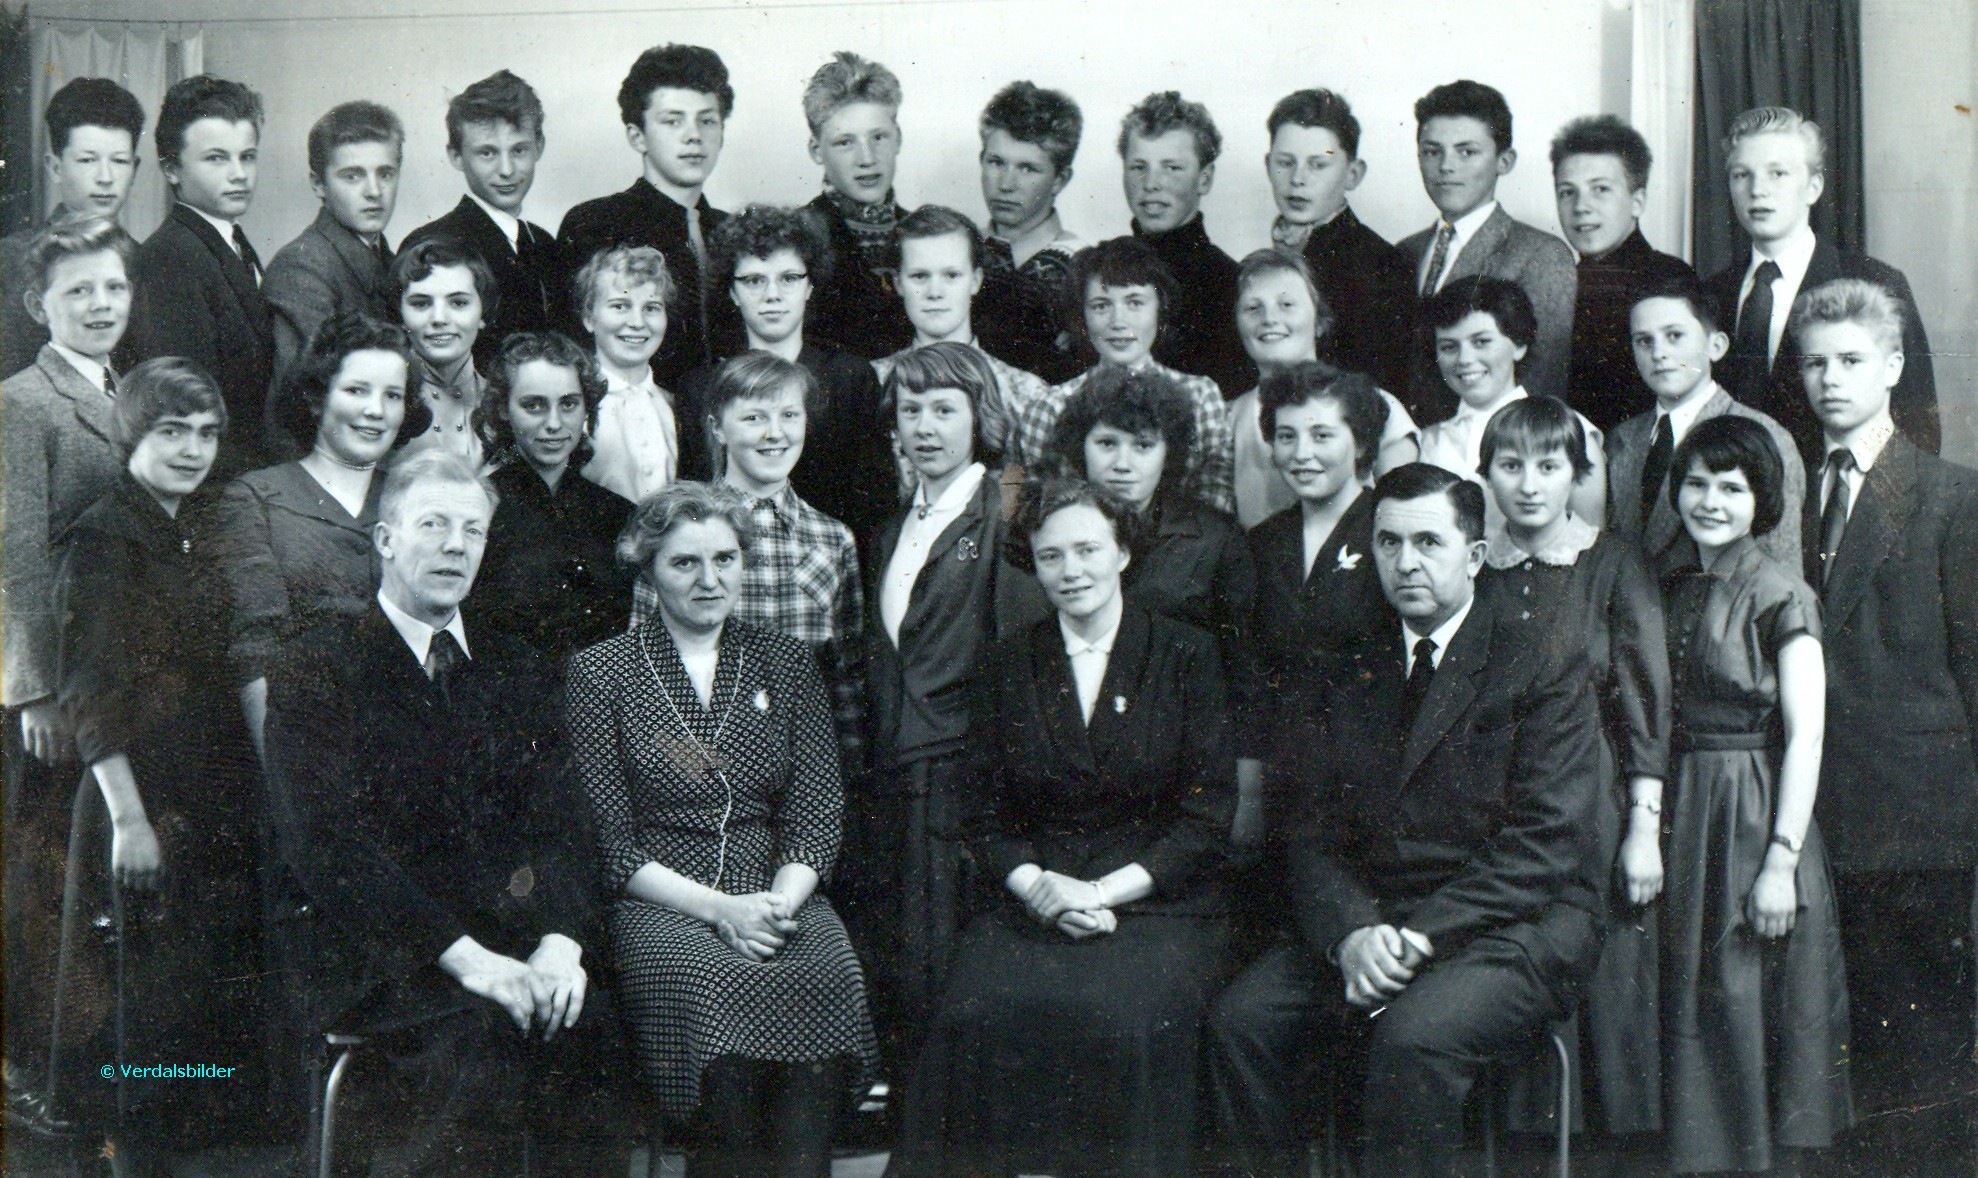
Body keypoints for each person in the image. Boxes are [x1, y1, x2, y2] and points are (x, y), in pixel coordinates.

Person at [1205, 462, 1608, 1178]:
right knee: (1243, 1023)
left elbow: (1545, 845)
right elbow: (1307, 829)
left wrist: (1418, 937)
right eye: (1388, 543)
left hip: (1508, 926)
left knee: (1411, 1038)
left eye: (1428, 543)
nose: (1405, 562)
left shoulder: (1541, 659)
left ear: (1475, 556)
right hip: (1374, 917)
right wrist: (1352, 933)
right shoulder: (1343, 663)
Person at [265, 445, 629, 1176]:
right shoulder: (319, 663)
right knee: (477, 1042)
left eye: (472, 531)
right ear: (386, 538)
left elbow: (564, 823)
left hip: (509, 940)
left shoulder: (518, 664)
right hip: (379, 953)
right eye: (433, 524)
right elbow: (328, 846)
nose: (455, 546)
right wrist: (468, 960)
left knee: (590, 1027)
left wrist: (560, 943)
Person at [887, 478, 1236, 1178]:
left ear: (1123, 553)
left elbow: (1206, 818)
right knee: (969, 1016)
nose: (1071, 570)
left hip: (1157, 903)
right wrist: (1041, 887)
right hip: (1035, 899)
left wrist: (1100, 893)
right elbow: (982, 814)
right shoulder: (1008, 661)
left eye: (1087, 550)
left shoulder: (1186, 653)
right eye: (1051, 556)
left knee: (1125, 1019)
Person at [568, 481, 875, 1178]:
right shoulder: (601, 672)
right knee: (714, 988)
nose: (710, 580)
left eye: (725, 559)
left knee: (830, 974)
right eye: (685, 562)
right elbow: (613, 845)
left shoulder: (787, 662)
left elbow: (817, 810)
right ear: (648, 570)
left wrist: (775, 905)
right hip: (664, 902)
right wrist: (720, 911)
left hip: (777, 893)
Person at [51, 358, 262, 1171]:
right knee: (140, 1006)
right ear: (133, 433)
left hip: (205, 785)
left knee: (193, 1000)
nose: (191, 449)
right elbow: (90, 689)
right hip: (134, 792)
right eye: (172, 431)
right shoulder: (104, 535)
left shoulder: (197, 524)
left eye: (206, 433)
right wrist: (130, 820)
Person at [1790, 279, 1978, 1177]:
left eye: (1851, 360)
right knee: (1832, 1036)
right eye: (1814, 363)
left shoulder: (1952, 497)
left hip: (1918, 815)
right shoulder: (1784, 490)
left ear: (1895, 366)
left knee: (1923, 1038)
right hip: (1809, 810)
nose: (1831, 379)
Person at [1476, 396, 1671, 1149]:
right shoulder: (1477, 565)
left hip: (1595, 807)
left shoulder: (1613, 563)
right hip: (1496, 810)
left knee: (1607, 989)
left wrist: (1643, 831)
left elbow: (1645, 707)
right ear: (1487, 473)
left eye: (1548, 466)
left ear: (1576, 474)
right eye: (1511, 465)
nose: (1529, 484)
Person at [1658, 413, 1851, 1173]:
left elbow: (1807, 735)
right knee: (1691, 1001)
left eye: (1731, 488)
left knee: (1745, 996)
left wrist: (1780, 861)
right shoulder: (1668, 582)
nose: (1710, 502)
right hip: (1682, 808)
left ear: (1761, 499)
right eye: (1697, 484)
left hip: (1751, 812)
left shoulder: (1782, 593)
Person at [855, 343, 1042, 1078]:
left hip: (962, 768)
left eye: (944, 409)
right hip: (898, 768)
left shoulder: (1006, 507)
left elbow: (1020, 656)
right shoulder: (890, 528)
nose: (925, 427)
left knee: (951, 962)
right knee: (908, 962)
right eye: (911, 411)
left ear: (979, 416)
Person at [1, 216, 136, 1135]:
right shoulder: (21, 402)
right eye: (77, 291)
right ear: (37, 305)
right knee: (42, 875)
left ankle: (88, 1071)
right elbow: (13, 554)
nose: (99, 305)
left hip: (113, 674)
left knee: (90, 876)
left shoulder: (131, 389)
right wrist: (33, 690)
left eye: (113, 288)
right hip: (55, 687)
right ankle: (31, 1072)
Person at [640, 353, 868, 786]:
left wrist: (838, 785)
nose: (774, 433)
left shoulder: (832, 538)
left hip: (807, 780)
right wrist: (703, 779)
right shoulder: (673, 531)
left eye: (789, 416)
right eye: (753, 418)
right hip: (704, 783)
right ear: (717, 428)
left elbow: (847, 679)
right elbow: (643, 679)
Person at [213, 312, 429, 759]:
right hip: (306, 747)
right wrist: (286, 777)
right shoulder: (255, 499)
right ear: (317, 398)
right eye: (356, 390)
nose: (376, 411)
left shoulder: (415, 498)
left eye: (392, 395)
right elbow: (254, 654)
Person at [1703, 107, 1937, 463]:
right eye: (1741, 175)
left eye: (1778, 173)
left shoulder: (1876, 283)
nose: (1758, 190)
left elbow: (1917, 426)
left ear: (1813, 187)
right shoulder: (1712, 294)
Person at [1238, 362, 1393, 847]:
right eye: (1287, 436)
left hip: (1372, 787)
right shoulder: (1262, 543)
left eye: (1322, 435)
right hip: (1282, 785)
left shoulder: (1390, 531)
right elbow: (1249, 677)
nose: (1302, 454)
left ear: (1361, 443)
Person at [677, 204, 899, 540]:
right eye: (754, 281)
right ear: (733, 292)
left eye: (789, 279)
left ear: (810, 287)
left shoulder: (851, 378)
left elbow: (876, 506)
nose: (772, 295)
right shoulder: (701, 387)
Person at [1049, 365, 1253, 678]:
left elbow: (1240, 667)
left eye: (1143, 445)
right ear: (1081, 446)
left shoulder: (1215, 538)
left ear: (1168, 452)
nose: (1122, 464)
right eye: (1107, 443)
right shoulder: (1050, 532)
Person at [118, 74, 274, 481]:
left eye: (248, 156)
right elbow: (184, 409)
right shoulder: (170, 257)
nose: (239, 174)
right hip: (217, 485)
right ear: (172, 169)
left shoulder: (230, 243)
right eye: (217, 159)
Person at [1013, 236, 1236, 515]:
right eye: (1101, 305)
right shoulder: (1050, 406)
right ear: (1082, 316)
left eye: (1135, 303)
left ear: (1160, 309)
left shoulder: (1199, 395)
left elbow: (1215, 504)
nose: (1118, 322)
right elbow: (1037, 510)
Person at [556, 44, 734, 388]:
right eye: (673, 121)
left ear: (722, 133)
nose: (694, 136)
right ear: (637, 136)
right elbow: (572, 352)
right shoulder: (594, 224)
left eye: (707, 120)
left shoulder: (731, 230)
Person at [1400, 80, 1576, 418]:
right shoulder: (1405, 251)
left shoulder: (1540, 254)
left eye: (1467, 151)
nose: (1446, 166)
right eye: (1432, 151)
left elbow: (1542, 383)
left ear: (1504, 161)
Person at [1607, 276, 1803, 576]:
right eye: (1644, 341)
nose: (1658, 353)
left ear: (1716, 346)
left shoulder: (1764, 435)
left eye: (1674, 336)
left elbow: (1781, 574)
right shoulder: (1622, 438)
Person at [470, 331, 635, 662]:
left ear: (586, 408)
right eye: (534, 405)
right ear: (503, 409)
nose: (554, 424)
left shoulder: (619, 514)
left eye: (569, 404)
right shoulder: (478, 508)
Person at [1227, 248, 1419, 527]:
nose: (1268, 319)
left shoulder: (1376, 404)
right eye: (1253, 308)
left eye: (1286, 305)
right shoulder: (1228, 418)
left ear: (1319, 322)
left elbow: (1406, 515)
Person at [1417, 275, 1606, 531]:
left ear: (1519, 345)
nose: (1464, 359)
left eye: (1481, 341)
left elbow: (1589, 538)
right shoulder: (1427, 442)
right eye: (1449, 347)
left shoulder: (1569, 430)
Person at [871, 204, 1050, 472]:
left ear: (975, 280)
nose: (935, 292)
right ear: (898, 283)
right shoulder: (871, 383)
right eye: (919, 276)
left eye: (951, 275)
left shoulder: (1025, 393)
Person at [399, 70, 559, 369]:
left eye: (519, 150)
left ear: (539, 146)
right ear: (456, 156)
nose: (507, 170)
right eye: (487, 153)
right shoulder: (433, 243)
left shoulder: (543, 243)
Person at [1263, 88, 1414, 395]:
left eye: (1318, 165)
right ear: (1268, 166)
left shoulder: (1380, 265)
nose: (1297, 179)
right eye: (1286, 162)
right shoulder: (1262, 264)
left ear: (1352, 174)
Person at [1550, 114, 1696, 431]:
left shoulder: (1667, 279)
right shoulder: (1557, 280)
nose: (1581, 207)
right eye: (1567, 192)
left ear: (1637, 202)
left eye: (1600, 189)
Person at [1, 77, 143, 380]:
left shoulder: (147, 261)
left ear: (135, 169)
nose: (105, 178)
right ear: (55, 167)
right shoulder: (13, 259)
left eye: (120, 161)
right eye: (88, 160)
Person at [263, 100, 405, 392]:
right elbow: (307, 394)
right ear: (319, 185)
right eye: (353, 176)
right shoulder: (300, 269)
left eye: (385, 174)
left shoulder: (390, 262)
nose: (374, 191)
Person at [1118, 90, 1252, 398]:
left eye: (1172, 167)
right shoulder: (1099, 271)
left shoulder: (1230, 284)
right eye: (1138, 167)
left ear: (1205, 179)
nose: (1151, 184)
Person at [797, 51, 914, 359]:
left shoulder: (927, 233)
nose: (867, 159)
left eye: (879, 137)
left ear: (898, 139)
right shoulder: (795, 237)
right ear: (816, 150)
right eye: (845, 142)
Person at [976, 80, 1089, 382]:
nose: (1006, 184)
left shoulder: (1085, 268)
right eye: (996, 162)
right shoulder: (957, 252)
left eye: (1027, 168)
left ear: (1059, 180)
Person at [390, 237, 494, 467]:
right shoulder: (386, 404)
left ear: (483, 313)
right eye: (421, 303)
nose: (439, 319)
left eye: (458, 303)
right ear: (401, 316)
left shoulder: (505, 403)